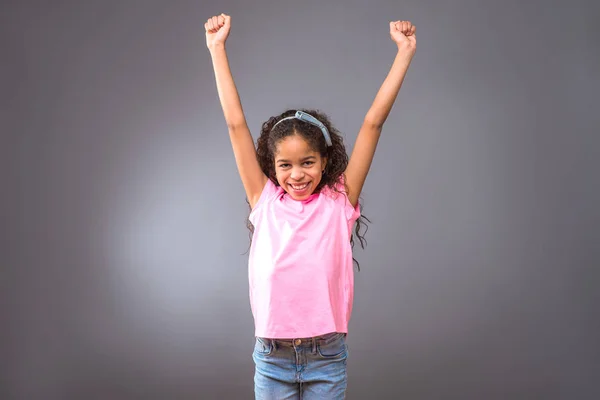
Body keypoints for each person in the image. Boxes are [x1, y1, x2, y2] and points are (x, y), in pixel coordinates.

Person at [205, 13, 416, 399]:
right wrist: (216, 49)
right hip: (272, 359)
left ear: (324, 161)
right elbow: (236, 124)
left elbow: (373, 124)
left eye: (308, 163)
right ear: (272, 166)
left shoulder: (339, 200)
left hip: (326, 357)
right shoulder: (264, 198)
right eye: (285, 165)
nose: (297, 174)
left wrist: (404, 53)